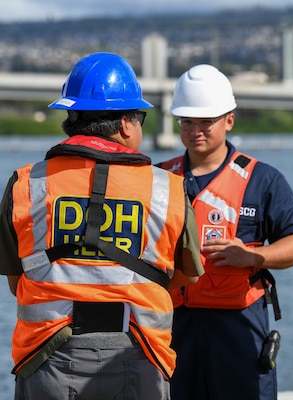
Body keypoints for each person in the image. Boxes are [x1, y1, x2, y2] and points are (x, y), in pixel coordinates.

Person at [0, 52, 204, 400]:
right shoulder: (168, 189)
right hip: (140, 357)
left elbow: (16, 278)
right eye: (140, 117)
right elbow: (187, 276)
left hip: (46, 359)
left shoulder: (26, 184)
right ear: (126, 124)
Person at [155, 64, 293, 400]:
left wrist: (254, 256)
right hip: (172, 326)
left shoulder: (262, 179)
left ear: (229, 120)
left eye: (205, 121)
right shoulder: (157, 179)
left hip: (239, 326)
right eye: (187, 122)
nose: (195, 130)